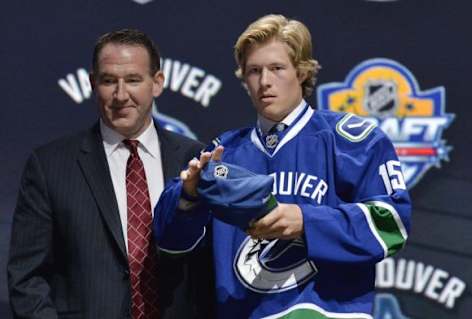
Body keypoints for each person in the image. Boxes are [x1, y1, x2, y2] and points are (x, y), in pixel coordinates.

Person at [154, 14, 412, 319]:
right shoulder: (223, 152)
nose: (264, 82)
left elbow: (392, 225)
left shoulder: (353, 141)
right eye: (254, 71)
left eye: (277, 68)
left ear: (301, 72)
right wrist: (187, 196)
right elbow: (171, 243)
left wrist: (306, 222)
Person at [7, 29, 209, 319]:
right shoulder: (50, 165)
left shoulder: (193, 159)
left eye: (133, 80)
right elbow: (26, 278)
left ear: (158, 83)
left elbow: (211, 269)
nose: (120, 95)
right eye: (109, 81)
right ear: (93, 83)